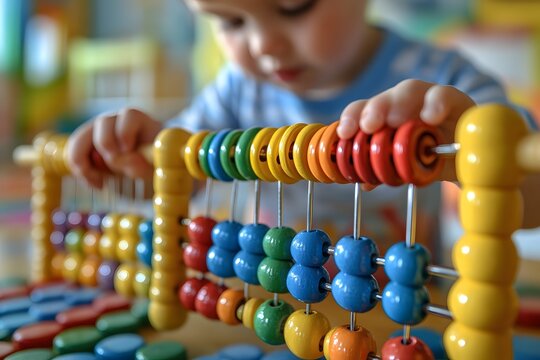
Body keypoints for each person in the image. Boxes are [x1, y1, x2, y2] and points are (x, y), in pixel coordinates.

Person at [67, 0, 539, 252]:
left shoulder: (441, 80)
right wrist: (124, 156)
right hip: (278, 313)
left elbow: (530, 195)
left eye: (295, 6)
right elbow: (171, 177)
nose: (264, 44)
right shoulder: (236, 91)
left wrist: (477, 154)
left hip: (403, 322)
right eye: (230, 21)